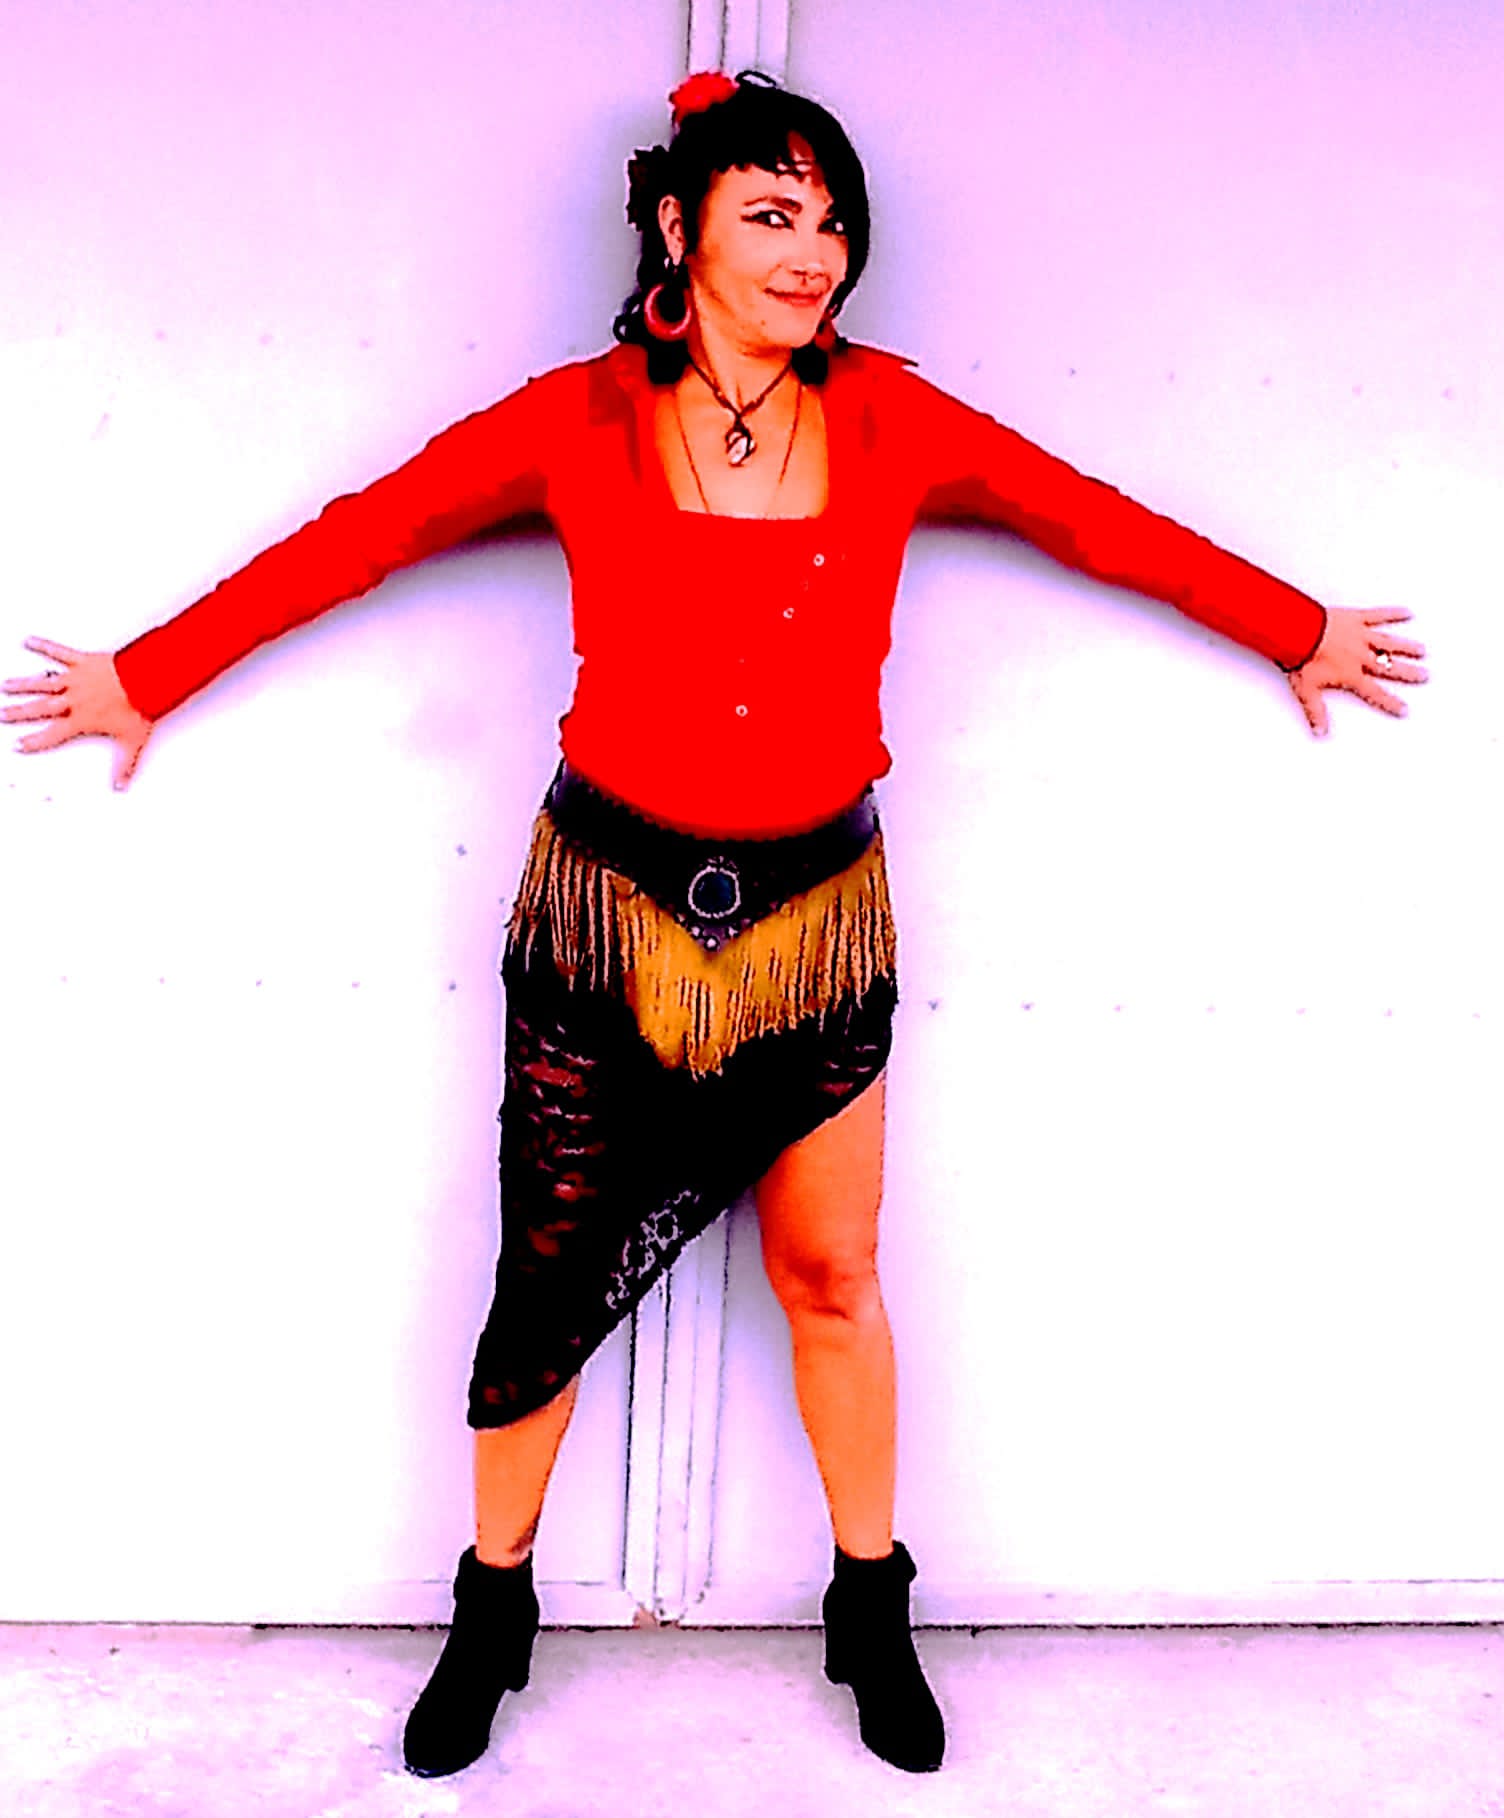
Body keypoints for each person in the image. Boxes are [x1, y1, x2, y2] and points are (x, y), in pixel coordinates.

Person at [3, 68, 1427, 1780]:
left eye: (830, 220)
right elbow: (361, 537)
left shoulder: (897, 418)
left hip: (817, 930)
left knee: (833, 1273)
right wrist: (146, 676)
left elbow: (1093, 519)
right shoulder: (577, 420)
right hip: (602, 925)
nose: (813, 249)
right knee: (545, 1282)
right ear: (679, 230)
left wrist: (1296, 627)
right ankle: (493, 1612)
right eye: (771, 213)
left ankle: (870, 1608)